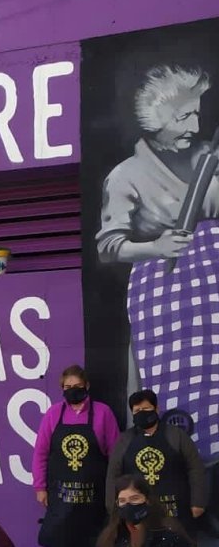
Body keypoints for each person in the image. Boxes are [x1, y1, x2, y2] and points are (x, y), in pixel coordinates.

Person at [95, 65, 219, 469]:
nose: (195, 125)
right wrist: (156, 247)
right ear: (156, 119)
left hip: (214, 289)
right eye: (184, 116)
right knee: (170, 396)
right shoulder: (126, 176)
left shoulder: (209, 157)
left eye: (197, 113)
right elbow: (109, 246)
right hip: (165, 297)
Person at [33, 365, 120, 547]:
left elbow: (115, 455)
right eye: (67, 387)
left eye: (77, 386)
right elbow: (40, 453)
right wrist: (40, 487)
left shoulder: (103, 413)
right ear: (62, 389)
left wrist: (115, 491)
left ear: (87, 386)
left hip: (96, 498)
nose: (72, 391)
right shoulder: (53, 414)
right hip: (63, 497)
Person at [108, 390, 206, 535]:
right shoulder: (124, 439)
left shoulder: (176, 435)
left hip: (176, 509)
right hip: (139, 512)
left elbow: (195, 468)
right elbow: (113, 474)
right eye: (137, 410)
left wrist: (198, 502)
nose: (142, 413)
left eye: (146, 409)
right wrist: (112, 509)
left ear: (156, 409)